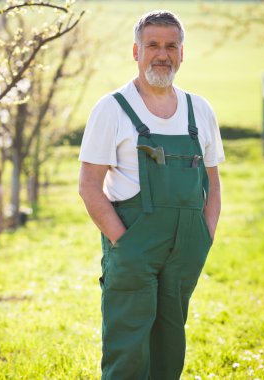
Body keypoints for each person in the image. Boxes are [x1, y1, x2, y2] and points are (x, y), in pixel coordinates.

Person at [78, 10, 224, 380]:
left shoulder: (199, 110)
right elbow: (89, 185)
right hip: (134, 243)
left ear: (181, 53)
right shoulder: (112, 109)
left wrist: (205, 234)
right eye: (153, 45)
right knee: (127, 347)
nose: (162, 54)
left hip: (186, 247)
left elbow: (213, 181)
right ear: (136, 51)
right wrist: (121, 241)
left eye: (171, 46)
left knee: (170, 345)